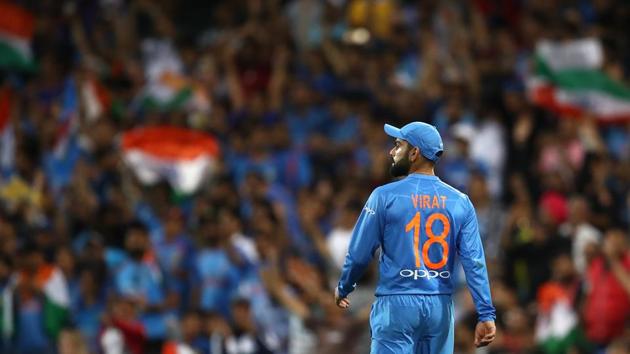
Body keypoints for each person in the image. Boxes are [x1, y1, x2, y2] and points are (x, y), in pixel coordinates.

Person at [334, 122, 497, 354]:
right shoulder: (460, 202)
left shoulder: (383, 196)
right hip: (439, 309)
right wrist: (486, 313)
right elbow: (475, 262)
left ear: (414, 153)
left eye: (397, 145)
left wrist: (344, 286)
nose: (391, 152)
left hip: (397, 305)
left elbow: (360, 252)